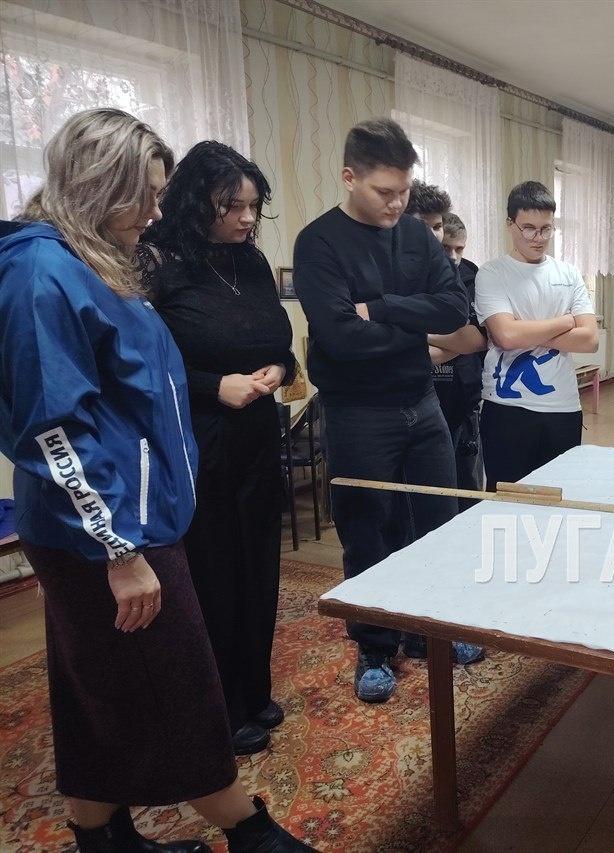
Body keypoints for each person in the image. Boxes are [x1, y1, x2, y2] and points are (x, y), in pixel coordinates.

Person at [0, 109, 315, 852]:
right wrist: (119, 548)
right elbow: (54, 431)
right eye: (140, 194)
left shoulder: (94, 258)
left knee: (97, 686)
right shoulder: (43, 273)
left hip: (130, 515)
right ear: (92, 184)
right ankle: (249, 830)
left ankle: (101, 833)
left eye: (158, 193)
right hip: (108, 530)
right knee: (180, 683)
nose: (153, 210)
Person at [292, 118, 483, 705]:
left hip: (421, 404)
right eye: (384, 192)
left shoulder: (417, 236)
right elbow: (339, 336)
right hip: (357, 411)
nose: (397, 203)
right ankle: (375, 645)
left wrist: (378, 308)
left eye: (403, 191)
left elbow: (454, 311)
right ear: (350, 177)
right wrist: (411, 326)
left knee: (438, 520)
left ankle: (431, 629)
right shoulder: (319, 243)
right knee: (367, 527)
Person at [140, 141, 295, 756]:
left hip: (256, 437)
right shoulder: (157, 262)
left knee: (258, 567)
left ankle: (252, 690)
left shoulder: (248, 261)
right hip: (196, 442)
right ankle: (218, 708)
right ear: (193, 201)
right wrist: (213, 387)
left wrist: (279, 371)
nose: (247, 218)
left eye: (254, 206)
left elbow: (279, 343)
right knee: (213, 574)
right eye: (232, 206)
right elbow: (141, 368)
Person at [475, 181, 598, 490]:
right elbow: (505, 336)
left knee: (558, 498)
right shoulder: (492, 273)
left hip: (563, 406)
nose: (538, 238)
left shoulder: (568, 274)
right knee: (507, 498)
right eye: (529, 228)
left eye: (546, 229)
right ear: (510, 224)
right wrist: (565, 321)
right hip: (506, 407)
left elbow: (589, 340)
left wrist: (525, 330)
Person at [430, 212, 487, 508]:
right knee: (432, 491)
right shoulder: (413, 276)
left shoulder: (472, 277)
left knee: (468, 486)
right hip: (425, 397)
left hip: (464, 395)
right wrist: (454, 342)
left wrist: (419, 335)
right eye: (446, 248)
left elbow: (474, 339)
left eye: (459, 249)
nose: (453, 256)